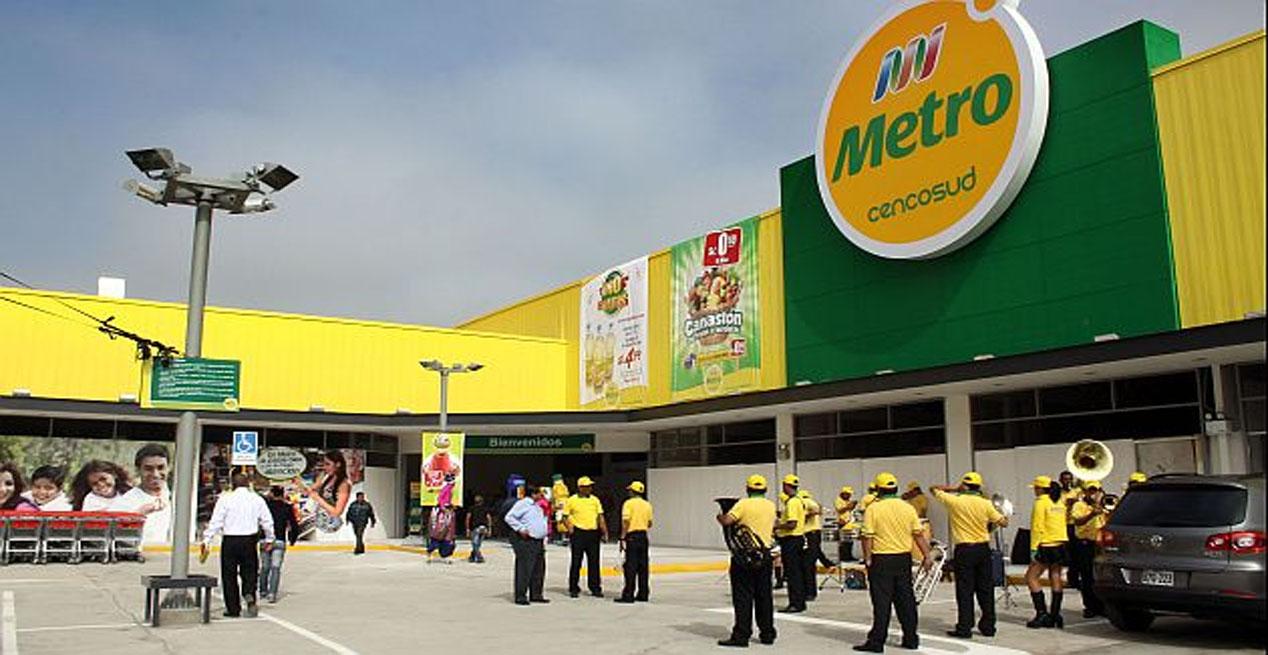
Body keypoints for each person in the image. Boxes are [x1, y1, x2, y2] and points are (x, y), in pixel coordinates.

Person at [854, 472, 931, 653]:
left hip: (881, 559)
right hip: (903, 558)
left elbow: (867, 536)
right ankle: (911, 638)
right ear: (895, 489)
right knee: (906, 600)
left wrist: (867, 558)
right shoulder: (907, 508)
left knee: (882, 603)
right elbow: (918, 534)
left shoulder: (873, 509)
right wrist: (927, 556)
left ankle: (877, 641)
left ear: (879, 489)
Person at [931, 472, 1007, 639]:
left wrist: (954, 488)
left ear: (964, 485)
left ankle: (965, 627)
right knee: (985, 589)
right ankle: (988, 626)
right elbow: (1003, 522)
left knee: (965, 590)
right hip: (983, 549)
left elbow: (933, 489)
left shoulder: (955, 501)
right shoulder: (986, 503)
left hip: (964, 549)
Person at [716, 474, 777, 647]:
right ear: (765, 489)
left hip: (744, 556)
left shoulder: (742, 504)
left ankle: (741, 635)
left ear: (748, 489)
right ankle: (767, 634)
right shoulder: (771, 506)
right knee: (764, 596)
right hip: (764, 555)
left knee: (743, 597)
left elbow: (728, 521)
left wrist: (719, 517)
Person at [202, 473, 275, 618]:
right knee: (250, 571)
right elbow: (267, 521)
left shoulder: (225, 499)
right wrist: (270, 538)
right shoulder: (256, 499)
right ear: (248, 484)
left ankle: (233, 608)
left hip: (230, 540)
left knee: (229, 575)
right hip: (249, 540)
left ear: (232, 485)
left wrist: (207, 539)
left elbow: (216, 521)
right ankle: (249, 593)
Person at [1025, 475, 1068, 629]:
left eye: (1036, 488)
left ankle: (1041, 613)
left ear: (1041, 489)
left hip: (1045, 544)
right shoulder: (1059, 502)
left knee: (1031, 577)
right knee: (1055, 576)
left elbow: (1037, 527)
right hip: (1060, 544)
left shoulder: (1040, 503)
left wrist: (1033, 548)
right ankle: (1055, 614)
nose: (1035, 491)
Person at [114, 444, 174, 544]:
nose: (155, 474)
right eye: (148, 469)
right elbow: (117, 537)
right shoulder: (125, 502)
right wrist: (138, 515)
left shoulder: (176, 496)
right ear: (138, 470)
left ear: (168, 468)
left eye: (161, 467)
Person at [504, 484, 549, 605]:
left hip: (538, 541)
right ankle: (521, 596)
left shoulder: (537, 506)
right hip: (527, 541)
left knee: (538, 569)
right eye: (539, 493)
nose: (541, 495)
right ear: (533, 494)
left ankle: (536, 594)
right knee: (525, 568)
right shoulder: (523, 504)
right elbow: (509, 517)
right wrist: (521, 529)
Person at [563, 475, 607, 598]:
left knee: (594, 562)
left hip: (593, 533)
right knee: (576, 561)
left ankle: (595, 587)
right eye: (586, 487)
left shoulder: (595, 500)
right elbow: (565, 516)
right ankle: (573, 588)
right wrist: (570, 528)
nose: (589, 489)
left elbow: (600, 516)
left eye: (590, 486)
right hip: (578, 533)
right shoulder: (572, 500)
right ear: (580, 488)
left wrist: (604, 531)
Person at [1069, 480, 1108, 618]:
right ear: (1085, 492)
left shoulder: (1103, 504)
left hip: (1100, 545)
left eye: (1097, 490)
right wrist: (1092, 514)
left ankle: (1102, 606)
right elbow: (1077, 521)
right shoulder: (1079, 505)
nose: (1094, 493)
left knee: (1101, 577)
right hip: (1085, 544)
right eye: (1091, 490)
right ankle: (1090, 606)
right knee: (1087, 577)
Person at [294, 450, 352, 533]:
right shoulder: (326, 477)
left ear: (338, 464)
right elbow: (309, 491)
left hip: (331, 526)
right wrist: (299, 483)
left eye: (328, 464)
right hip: (318, 520)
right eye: (324, 464)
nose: (325, 467)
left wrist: (318, 498)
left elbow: (337, 512)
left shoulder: (344, 484)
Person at [259, 486, 300, 603]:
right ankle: (272, 593)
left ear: (272, 494)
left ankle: (262, 590)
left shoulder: (265, 506)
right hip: (279, 540)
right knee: (276, 567)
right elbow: (293, 524)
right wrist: (292, 539)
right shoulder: (287, 507)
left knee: (265, 567)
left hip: (265, 539)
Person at [773, 474, 807, 613]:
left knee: (792, 574)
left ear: (786, 486)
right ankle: (800, 602)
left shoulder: (792, 502)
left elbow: (792, 524)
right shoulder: (798, 500)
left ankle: (795, 603)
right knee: (797, 573)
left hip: (791, 540)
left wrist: (777, 526)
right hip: (797, 540)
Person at [615, 480, 653, 603]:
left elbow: (626, 521)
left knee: (630, 567)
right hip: (643, 536)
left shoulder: (628, 504)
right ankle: (643, 593)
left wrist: (622, 537)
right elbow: (649, 523)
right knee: (643, 566)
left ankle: (628, 594)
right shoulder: (647, 505)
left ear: (632, 491)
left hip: (632, 536)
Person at [799, 488, 830, 601]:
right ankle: (826, 562)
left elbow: (816, 510)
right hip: (815, 533)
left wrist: (804, 515)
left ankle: (809, 592)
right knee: (810, 562)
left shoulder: (803, 502)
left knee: (807, 564)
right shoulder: (812, 501)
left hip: (809, 534)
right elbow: (819, 508)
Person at [1058, 470, 1080, 589]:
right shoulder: (1058, 494)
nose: (1067, 482)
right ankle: (1063, 579)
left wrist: (1076, 502)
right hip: (1063, 524)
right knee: (1064, 554)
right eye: (1065, 479)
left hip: (1075, 525)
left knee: (1075, 554)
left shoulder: (1077, 492)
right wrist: (1067, 505)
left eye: (1069, 479)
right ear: (1061, 481)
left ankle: (1074, 579)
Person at [465, 493, 492, 563]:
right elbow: (489, 518)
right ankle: (473, 556)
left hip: (475, 528)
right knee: (478, 543)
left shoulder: (471, 508)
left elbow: (468, 518)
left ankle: (478, 557)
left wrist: (467, 529)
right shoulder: (485, 509)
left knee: (475, 543)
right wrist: (489, 529)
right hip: (484, 527)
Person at [835, 486, 858, 562]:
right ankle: (843, 557)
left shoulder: (848, 501)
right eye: (848, 494)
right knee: (843, 542)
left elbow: (849, 510)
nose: (849, 496)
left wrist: (853, 505)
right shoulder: (839, 500)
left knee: (849, 541)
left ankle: (849, 556)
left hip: (849, 523)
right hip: (843, 523)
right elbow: (840, 510)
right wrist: (848, 506)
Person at [551, 474, 571, 545]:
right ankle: (566, 537)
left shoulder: (555, 487)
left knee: (560, 521)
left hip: (560, 506)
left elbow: (554, 498)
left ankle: (564, 537)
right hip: (565, 505)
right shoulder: (564, 487)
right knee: (565, 520)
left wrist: (554, 506)